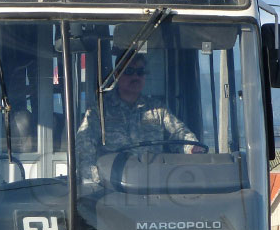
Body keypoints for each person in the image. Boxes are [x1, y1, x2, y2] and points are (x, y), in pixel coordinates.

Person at [75, 54, 205, 182]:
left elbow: (179, 133)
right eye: (129, 71)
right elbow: (84, 145)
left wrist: (191, 148)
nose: (135, 77)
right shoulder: (99, 110)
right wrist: (94, 177)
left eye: (140, 72)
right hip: (114, 185)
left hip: (153, 183)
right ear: (116, 75)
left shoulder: (158, 110)